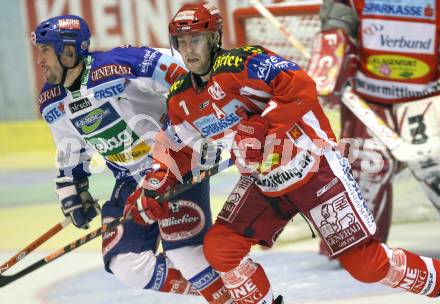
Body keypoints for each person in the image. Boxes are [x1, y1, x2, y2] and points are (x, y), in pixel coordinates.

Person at [128, 3, 440, 303]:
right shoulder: (180, 96)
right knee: (221, 247)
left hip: (315, 168)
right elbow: (177, 148)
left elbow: (302, 85)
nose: (189, 50)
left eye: (196, 39)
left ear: (214, 38)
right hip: (265, 181)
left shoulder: (245, 62)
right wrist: (156, 185)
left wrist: (265, 125)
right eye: (181, 42)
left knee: (366, 265)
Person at [31, 14, 232, 303]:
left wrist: (203, 126)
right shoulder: (51, 99)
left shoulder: (120, 64)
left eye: (45, 50)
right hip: (130, 178)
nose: (41, 60)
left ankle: (233, 294)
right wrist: (73, 189)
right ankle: (227, 289)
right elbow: (69, 146)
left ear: (69, 51)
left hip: (177, 163)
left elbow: (185, 74)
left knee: (184, 252)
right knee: (126, 264)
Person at [307, 0, 440, 250]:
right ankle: (355, 249)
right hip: (367, 98)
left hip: (428, 97)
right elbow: (338, 21)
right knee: (366, 169)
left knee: (433, 165)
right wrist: (328, 61)